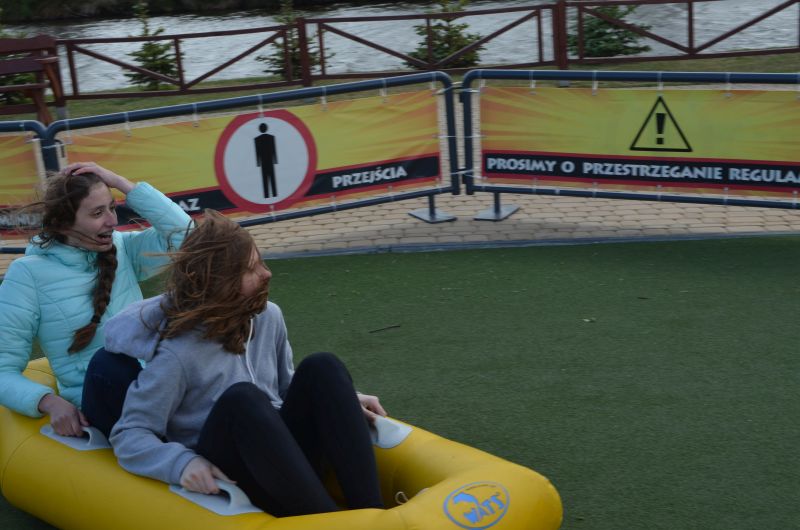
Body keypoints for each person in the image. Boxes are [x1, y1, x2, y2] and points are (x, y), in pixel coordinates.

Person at [106, 210, 386, 517]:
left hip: (284, 458)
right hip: (236, 471)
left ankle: (374, 514)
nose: (267, 274)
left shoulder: (268, 316)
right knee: (243, 399)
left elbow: (286, 388)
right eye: (251, 269)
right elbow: (130, 434)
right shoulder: (178, 353)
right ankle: (326, 521)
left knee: (323, 366)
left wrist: (342, 400)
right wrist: (182, 463)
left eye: (261, 261)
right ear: (221, 283)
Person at [0, 162, 191, 437]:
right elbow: (3, 369)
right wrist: (48, 402)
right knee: (110, 362)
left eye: (112, 207)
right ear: (64, 223)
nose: (112, 221)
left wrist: (122, 183)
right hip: (103, 396)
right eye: (98, 213)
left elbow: (187, 236)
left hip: (155, 384)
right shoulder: (27, 275)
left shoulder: (122, 247)